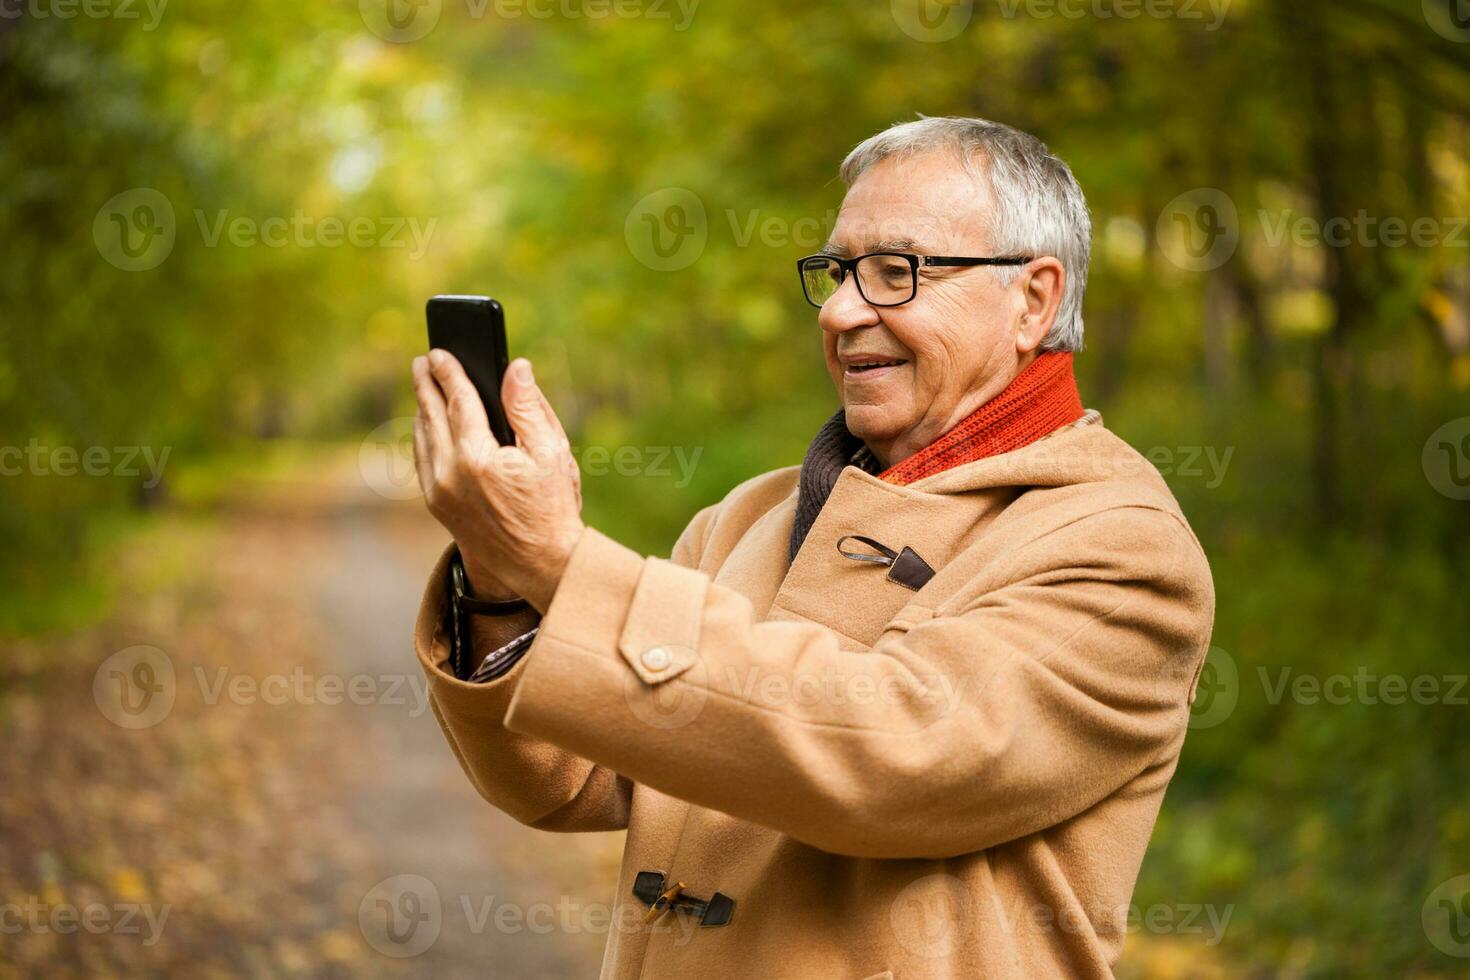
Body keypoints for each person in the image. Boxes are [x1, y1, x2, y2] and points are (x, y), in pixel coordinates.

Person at [408, 115, 1215, 978]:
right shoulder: (746, 516)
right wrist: (498, 575)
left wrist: (558, 564)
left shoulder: (1124, 549)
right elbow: (570, 779)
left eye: (896, 272)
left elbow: (894, 757)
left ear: (1033, 299)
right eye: (836, 273)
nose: (838, 310)